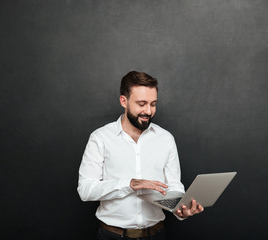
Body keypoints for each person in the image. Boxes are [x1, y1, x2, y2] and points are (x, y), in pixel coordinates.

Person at [77, 71, 204, 239]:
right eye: (142, 104)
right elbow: (85, 190)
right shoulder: (100, 138)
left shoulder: (165, 138)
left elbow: (174, 186)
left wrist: (181, 210)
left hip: (156, 234)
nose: (148, 111)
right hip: (112, 236)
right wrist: (129, 184)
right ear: (124, 101)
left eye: (153, 104)